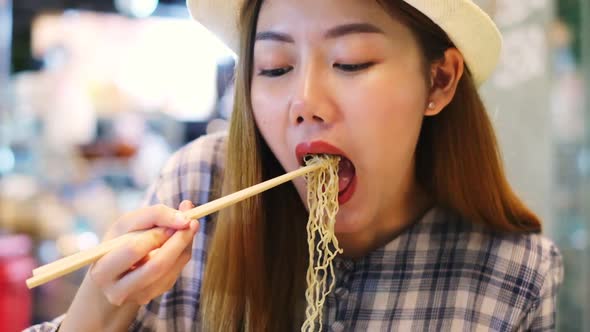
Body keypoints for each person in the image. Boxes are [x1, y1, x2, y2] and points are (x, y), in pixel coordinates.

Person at [28, 0, 563, 331]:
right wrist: (102, 305)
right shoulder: (198, 189)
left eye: (351, 61)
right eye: (275, 67)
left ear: (440, 81)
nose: (304, 100)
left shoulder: (512, 274)